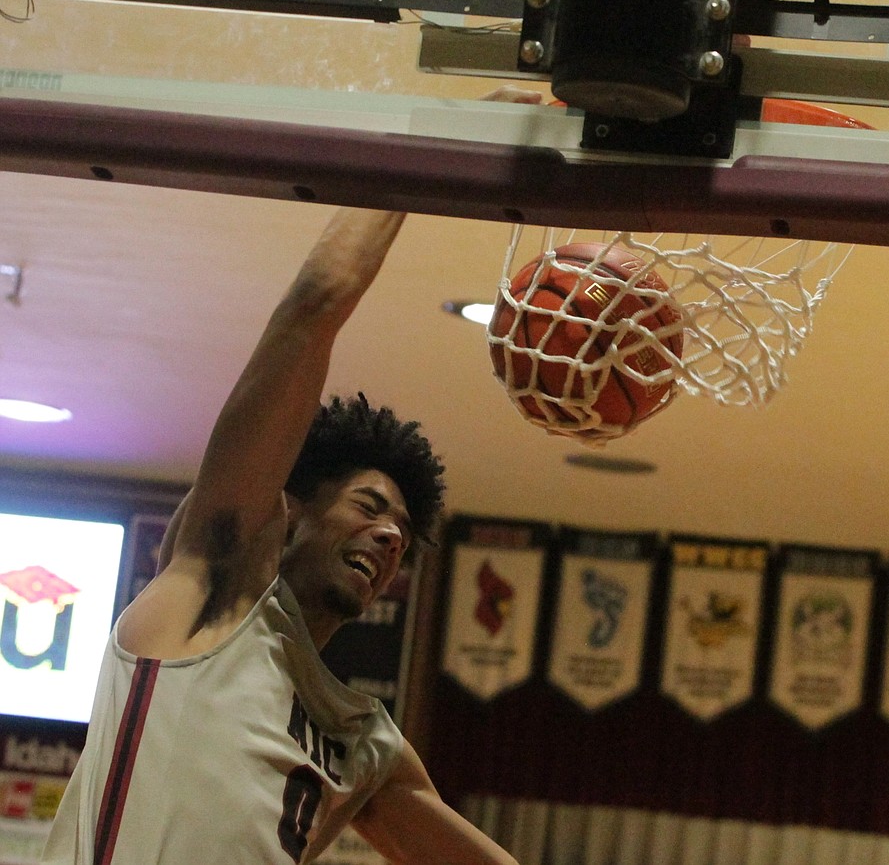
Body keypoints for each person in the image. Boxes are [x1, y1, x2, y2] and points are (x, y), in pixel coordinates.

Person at [42, 88, 543, 865]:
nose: (387, 535)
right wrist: (437, 133)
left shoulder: (363, 742)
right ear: (289, 509)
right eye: (370, 506)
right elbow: (312, 306)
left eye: (402, 536)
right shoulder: (214, 589)